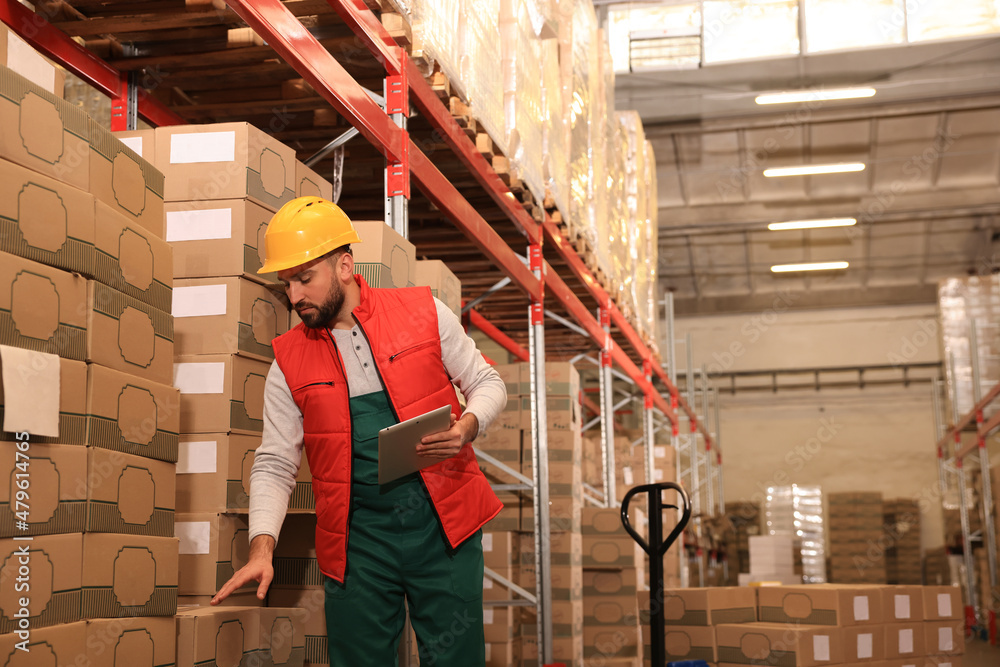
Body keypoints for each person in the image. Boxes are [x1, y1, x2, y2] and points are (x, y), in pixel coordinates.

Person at [211, 196, 506, 666]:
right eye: (287, 282)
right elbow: (274, 462)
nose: (295, 296)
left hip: (444, 528)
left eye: (305, 278)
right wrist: (261, 547)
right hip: (357, 544)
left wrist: (469, 424)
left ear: (345, 266)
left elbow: (487, 382)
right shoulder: (287, 361)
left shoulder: (424, 313)